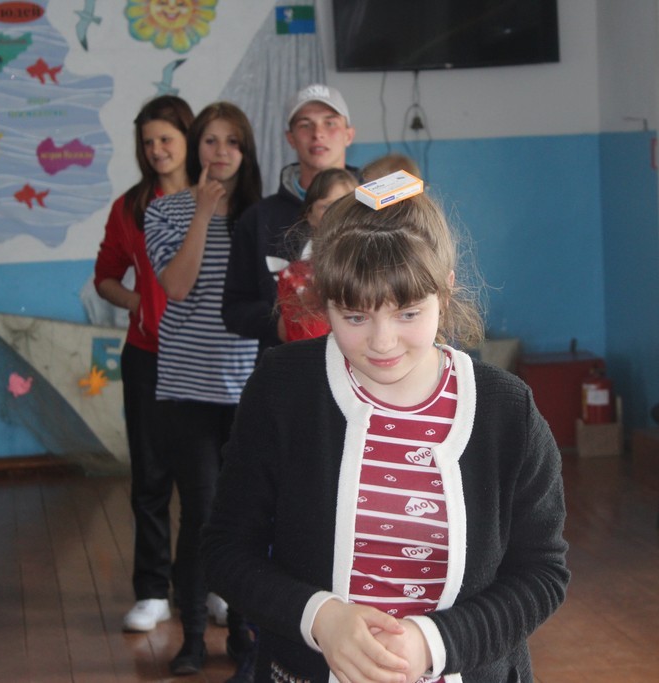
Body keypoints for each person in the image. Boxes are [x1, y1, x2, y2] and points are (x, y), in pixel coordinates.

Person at [203, 186, 570, 682]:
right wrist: (320, 618)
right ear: (322, 298)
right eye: (354, 316)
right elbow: (226, 549)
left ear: (444, 291)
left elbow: (542, 573)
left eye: (408, 313)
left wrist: (434, 643)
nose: (382, 342)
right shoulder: (282, 388)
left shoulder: (507, 411)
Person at [144, 101, 261, 677]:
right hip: (187, 387)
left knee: (247, 515)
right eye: (210, 140)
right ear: (196, 148)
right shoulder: (165, 210)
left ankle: (240, 628)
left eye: (232, 141)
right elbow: (178, 285)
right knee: (201, 512)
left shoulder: (260, 214)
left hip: (251, 388)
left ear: (246, 150)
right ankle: (192, 635)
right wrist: (202, 212)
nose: (221, 152)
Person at [92, 95, 194, 634]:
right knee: (151, 477)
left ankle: (207, 586)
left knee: (210, 480)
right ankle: (153, 591)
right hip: (148, 357)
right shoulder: (130, 207)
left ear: (188, 140)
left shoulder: (218, 200)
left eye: (166, 140)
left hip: (209, 361)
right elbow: (105, 276)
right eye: (148, 142)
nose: (157, 150)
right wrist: (139, 303)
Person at [222, 83, 359, 356]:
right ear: (291, 138)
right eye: (305, 125)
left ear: (348, 135)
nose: (318, 133)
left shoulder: (378, 208)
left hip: (367, 370)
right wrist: (282, 325)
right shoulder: (258, 218)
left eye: (330, 123)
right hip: (286, 369)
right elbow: (234, 309)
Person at [275, 167, 358, 343]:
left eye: (345, 204)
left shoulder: (374, 269)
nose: (336, 213)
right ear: (309, 215)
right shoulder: (293, 277)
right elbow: (297, 339)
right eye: (326, 206)